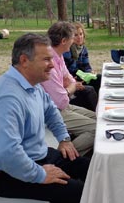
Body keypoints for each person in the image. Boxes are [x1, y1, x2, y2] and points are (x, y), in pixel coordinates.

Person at [0, 33, 90, 203]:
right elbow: (7, 154)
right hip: (5, 173)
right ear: (24, 60)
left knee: (92, 169)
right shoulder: (7, 98)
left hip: (37, 155)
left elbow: (51, 111)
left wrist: (64, 139)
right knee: (80, 193)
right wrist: (40, 174)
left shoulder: (32, 84)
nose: (52, 65)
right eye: (46, 59)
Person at [41, 22, 96, 156]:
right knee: (97, 130)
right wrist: (69, 88)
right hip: (53, 110)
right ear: (64, 41)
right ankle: (63, 158)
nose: (74, 41)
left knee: (99, 118)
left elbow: (69, 78)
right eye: (72, 37)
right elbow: (60, 100)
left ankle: (83, 152)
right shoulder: (50, 61)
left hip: (63, 105)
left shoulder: (58, 56)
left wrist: (68, 87)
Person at [63, 22, 102, 97]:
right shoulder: (67, 49)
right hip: (72, 79)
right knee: (90, 88)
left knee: (98, 78)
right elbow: (70, 69)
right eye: (76, 35)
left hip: (82, 76)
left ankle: (98, 102)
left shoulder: (83, 49)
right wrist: (81, 76)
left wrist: (89, 72)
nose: (79, 37)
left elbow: (86, 65)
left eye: (81, 34)